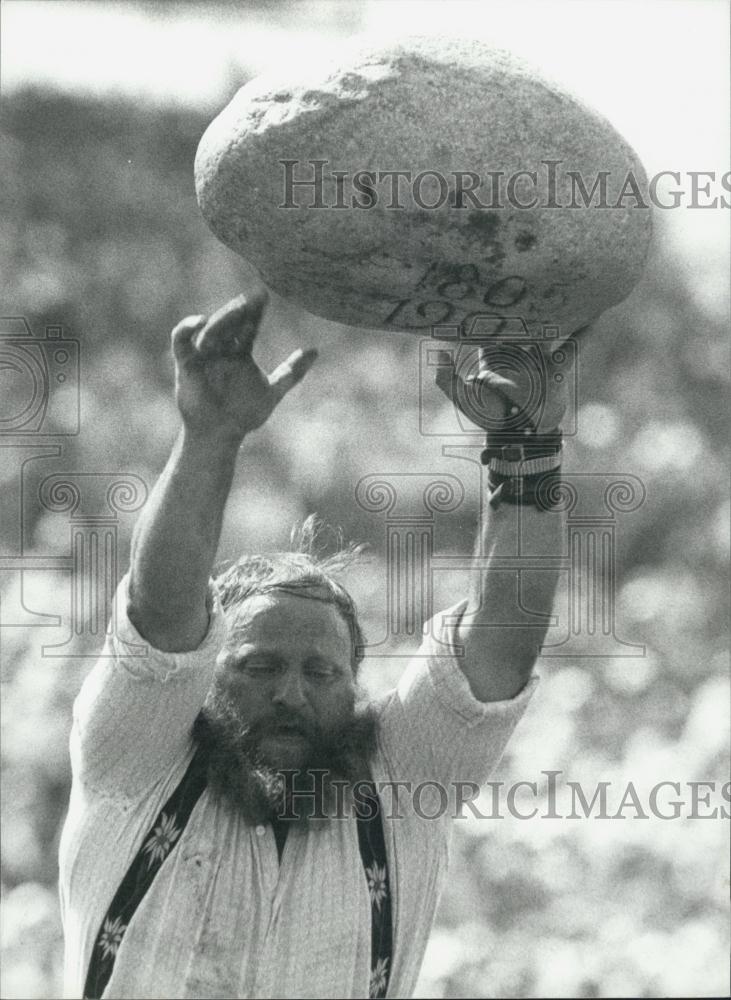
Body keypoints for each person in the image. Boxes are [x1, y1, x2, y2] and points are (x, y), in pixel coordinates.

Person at [59, 290, 572, 999]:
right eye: (258, 667)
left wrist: (526, 454)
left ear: (357, 688)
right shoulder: (135, 762)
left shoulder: (402, 785)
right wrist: (209, 437)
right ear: (201, 679)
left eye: (321, 672)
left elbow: (501, 640)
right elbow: (161, 608)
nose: (291, 694)